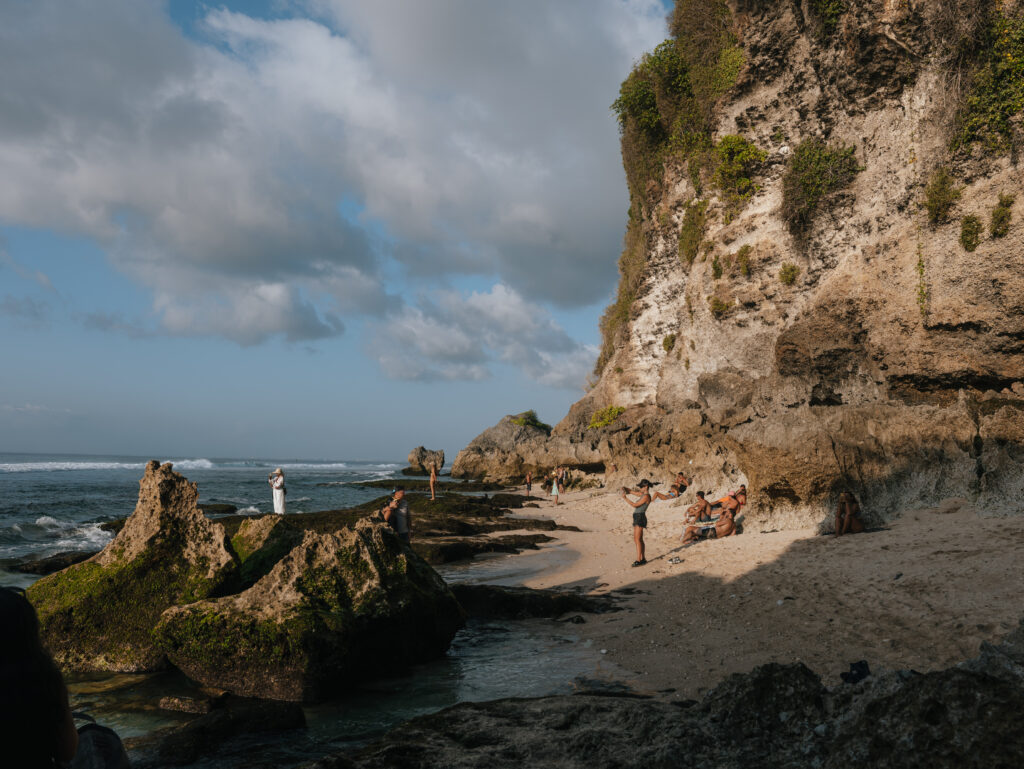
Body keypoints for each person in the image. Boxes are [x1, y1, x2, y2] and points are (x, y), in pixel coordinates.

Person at [621, 479, 653, 567]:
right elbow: (632, 492)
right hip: (638, 517)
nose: (640, 488)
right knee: (639, 539)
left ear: (646, 487)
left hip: (640, 517)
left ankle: (639, 560)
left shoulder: (646, 496)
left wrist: (625, 498)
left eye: (641, 487)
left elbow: (635, 505)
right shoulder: (643, 494)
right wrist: (626, 489)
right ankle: (643, 559)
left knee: (637, 539)